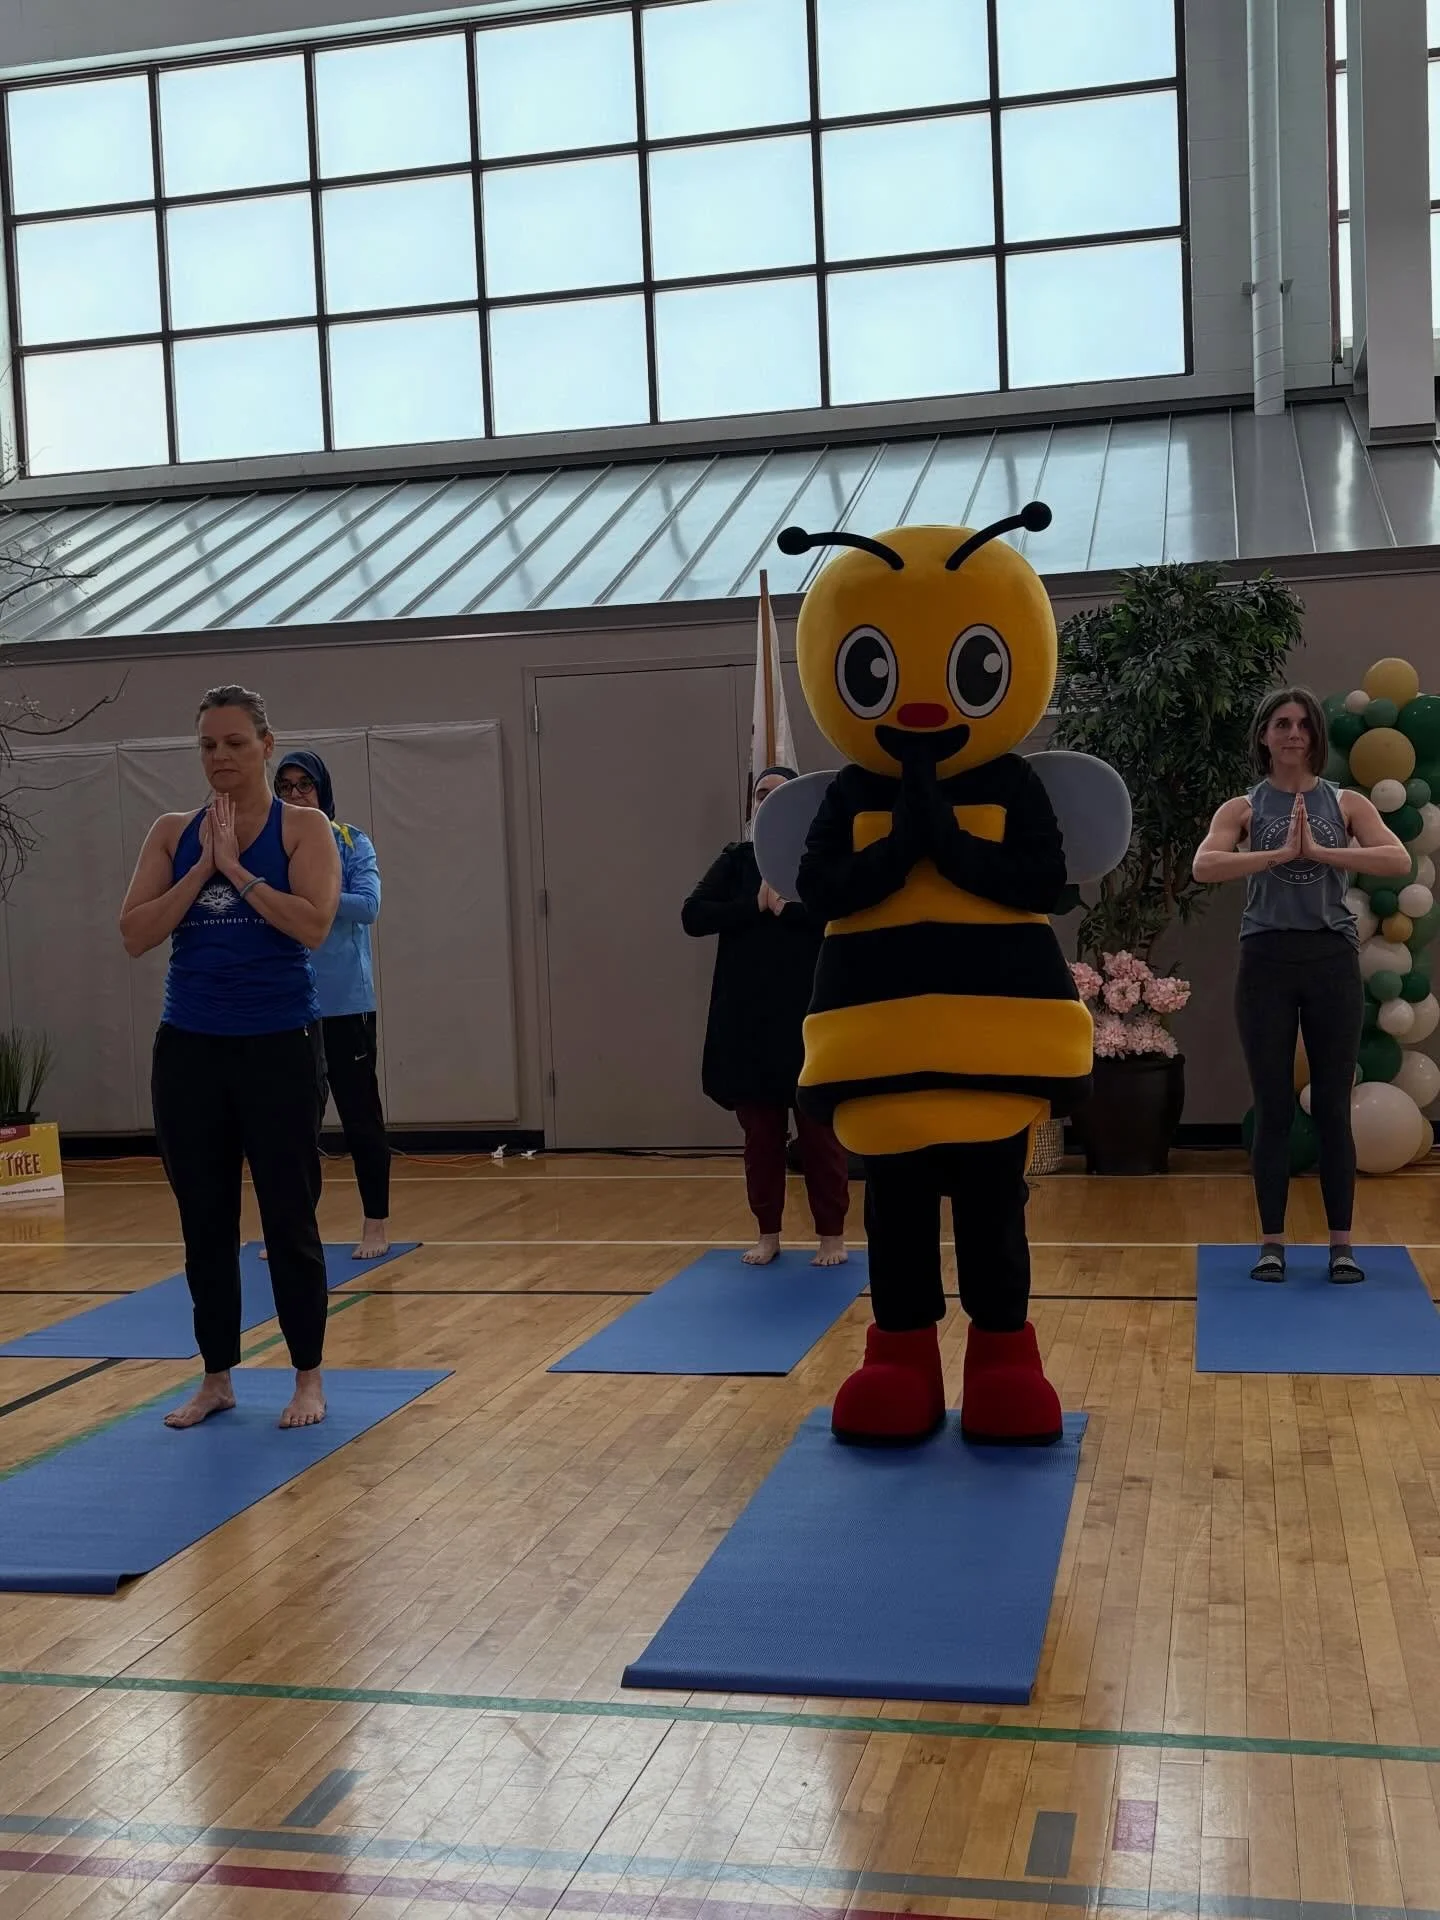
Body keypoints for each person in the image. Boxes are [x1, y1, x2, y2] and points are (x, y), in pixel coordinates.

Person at [119, 686, 341, 1428]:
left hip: (278, 1043)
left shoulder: (304, 828)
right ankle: (216, 1377)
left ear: (266, 745)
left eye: (235, 743)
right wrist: (201, 868)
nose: (220, 757)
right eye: (209, 744)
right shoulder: (170, 830)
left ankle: (307, 1377)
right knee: (204, 1222)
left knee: (289, 1218)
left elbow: (312, 924)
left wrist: (240, 873)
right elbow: (135, 932)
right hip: (190, 1049)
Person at [1193, 686, 1410, 1284]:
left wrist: (1322, 852)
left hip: (1329, 961)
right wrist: (1272, 856)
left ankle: (1342, 1246)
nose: (1293, 734)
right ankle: (1271, 1244)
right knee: (1273, 1107)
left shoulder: (1345, 803)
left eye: (1303, 725)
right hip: (1265, 959)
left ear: (1314, 737)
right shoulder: (1242, 808)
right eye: (1281, 724)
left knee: (1335, 1108)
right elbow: (1204, 866)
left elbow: (1396, 862)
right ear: (1265, 736)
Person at [682, 766, 849, 1267]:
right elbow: (694, 915)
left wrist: (790, 911)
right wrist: (751, 905)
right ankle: (768, 1233)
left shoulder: (821, 861)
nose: (765, 804)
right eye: (759, 796)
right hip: (749, 1021)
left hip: (808, 1020)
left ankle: (832, 1237)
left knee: (820, 1136)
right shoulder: (737, 859)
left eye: (777, 796)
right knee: (760, 1136)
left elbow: (844, 917)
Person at [273, 750, 391, 1260]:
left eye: (306, 785)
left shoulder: (350, 840)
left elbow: (367, 905)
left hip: (346, 1005)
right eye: (286, 786)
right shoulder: (269, 845)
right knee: (292, 1123)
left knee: (360, 1117)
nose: (297, 795)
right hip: (290, 1004)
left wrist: (314, 896)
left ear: (322, 789)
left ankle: (375, 1225)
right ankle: (297, 1227)